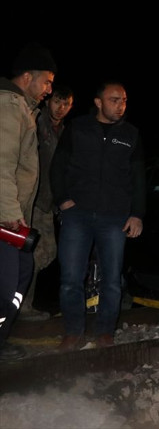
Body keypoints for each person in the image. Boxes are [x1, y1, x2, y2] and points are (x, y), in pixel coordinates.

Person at [51, 80, 146, 351]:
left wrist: (137, 214)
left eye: (124, 100)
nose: (120, 105)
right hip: (77, 215)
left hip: (114, 218)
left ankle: (105, 332)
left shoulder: (131, 134)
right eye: (114, 100)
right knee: (71, 278)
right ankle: (73, 332)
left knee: (112, 280)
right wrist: (63, 200)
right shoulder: (78, 128)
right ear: (98, 102)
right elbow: (58, 167)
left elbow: (138, 177)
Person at [0, 42, 57, 361]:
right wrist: (10, 213)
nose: (50, 89)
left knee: (21, 275)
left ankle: (2, 339)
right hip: (5, 218)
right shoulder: (8, 106)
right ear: (26, 77)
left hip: (16, 218)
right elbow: (1, 165)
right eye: (46, 81)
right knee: (5, 286)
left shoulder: (24, 109)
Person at [19, 84, 74, 321]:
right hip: (28, 199)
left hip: (48, 202)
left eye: (66, 104)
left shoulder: (65, 132)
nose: (61, 108)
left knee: (45, 252)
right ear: (48, 101)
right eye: (57, 102)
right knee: (31, 251)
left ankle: (21, 302)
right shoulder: (36, 120)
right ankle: (22, 306)